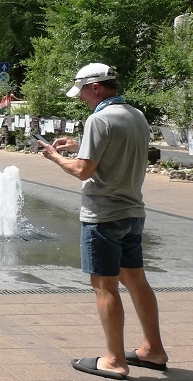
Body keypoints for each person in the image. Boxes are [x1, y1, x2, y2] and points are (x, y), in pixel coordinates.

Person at [39, 63, 168, 379]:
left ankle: (114, 360)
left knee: (104, 286)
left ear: (95, 86)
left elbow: (83, 171)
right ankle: (153, 349)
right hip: (133, 213)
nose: (81, 97)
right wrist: (77, 146)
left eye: (82, 90)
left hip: (103, 216)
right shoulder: (135, 116)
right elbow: (118, 152)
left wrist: (55, 157)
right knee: (136, 279)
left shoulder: (99, 119)